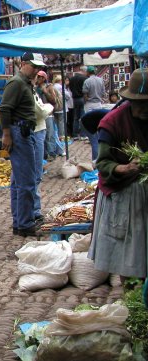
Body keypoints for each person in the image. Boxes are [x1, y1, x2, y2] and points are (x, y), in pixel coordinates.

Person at [88, 68, 148, 280]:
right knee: (129, 255)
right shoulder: (112, 122)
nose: (144, 108)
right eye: (140, 104)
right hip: (124, 193)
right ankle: (132, 294)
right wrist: (126, 168)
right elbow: (102, 164)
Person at [0, 52, 45, 237]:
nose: (36, 70)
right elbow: (4, 109)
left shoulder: (26, 83)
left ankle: (21, 222)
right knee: (27, 181)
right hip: (19, 133)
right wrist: (7, 134)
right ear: (23, 64)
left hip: (25, 131)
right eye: (33, 66)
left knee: (19, 181)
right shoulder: (16, 83)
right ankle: (25, 223)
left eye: (38, 68)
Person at [33, 88, 54, 222]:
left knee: (33, 173)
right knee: (35, 173)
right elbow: (41, 112)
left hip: (36, 130)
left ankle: (30, 211)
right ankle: (34, 210)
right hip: (35, 131)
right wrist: (49, 106)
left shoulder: (32, 90)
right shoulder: (27, 90)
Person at [35, 71, 61, 159]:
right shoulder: (35, 87)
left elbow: (53, 100)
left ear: (43, 78)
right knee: (43, 135)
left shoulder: (49, 87)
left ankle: (52, 153)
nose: (37, 79)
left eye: (39, 77)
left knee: (50, 135)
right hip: (40, 114)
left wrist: (45, 91)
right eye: (37, 77)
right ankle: (45, 154)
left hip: (48, 114)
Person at [82, 66, 105, 161]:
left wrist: (87, 100)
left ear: (88, 72)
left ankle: (95, 158)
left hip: (90, 105)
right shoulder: (100, 80)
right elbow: (103, 93)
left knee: (91, 133)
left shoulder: (87, 81)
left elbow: (85, 95)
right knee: (99, 127)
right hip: (98, 104)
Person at [69, 66, 87, 139]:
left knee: (76, 117)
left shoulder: (72, 78)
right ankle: (83, 135)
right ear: (84, 71)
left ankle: (75, 135)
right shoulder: (84, 78)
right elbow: (85, 89)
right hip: (82, 98)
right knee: (83, 117)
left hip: (75, 99)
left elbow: (70, 88)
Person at [52, 75, 70, 141]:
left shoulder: (53, 86)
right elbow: (68, 96)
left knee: (56, 123)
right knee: (62, 122)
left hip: (54, 108)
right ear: (60, 80)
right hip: (62, 107)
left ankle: (56, 136)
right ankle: (61, 136)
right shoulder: (60, 87)